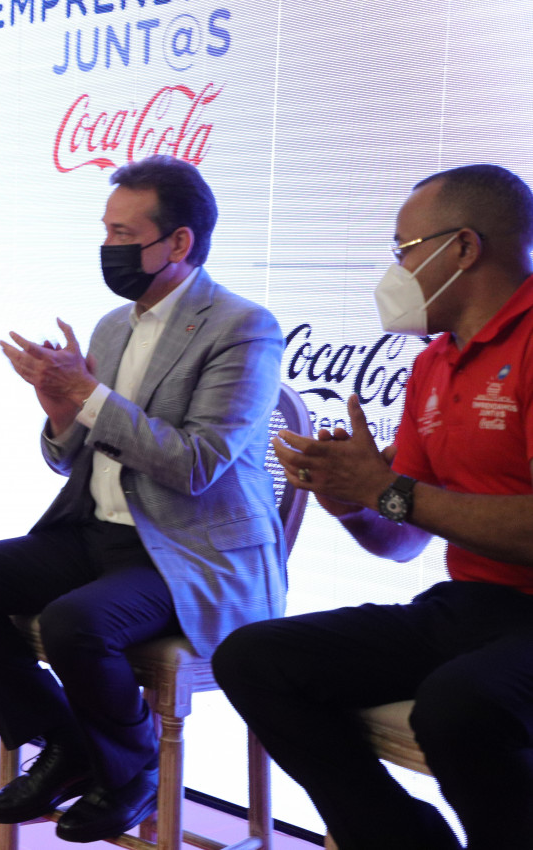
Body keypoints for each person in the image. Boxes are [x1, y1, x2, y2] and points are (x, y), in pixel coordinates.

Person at [0, 155, 286, 843]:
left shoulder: (243, 327)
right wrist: (61, 411)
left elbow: (197, 465)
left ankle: (131, 766)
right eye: (106, 231)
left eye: (124, 234)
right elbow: (70, 457)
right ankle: (66, 742)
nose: (108, 246)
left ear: (179, 242)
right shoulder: (113, 326)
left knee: (74, 623)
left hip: (187, 551)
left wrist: (88, 396)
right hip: (95, 532)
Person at [212, 164, 533, 850]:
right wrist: (353, 501)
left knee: (458, 706)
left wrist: (387, 491)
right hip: (472, 606)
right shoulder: (433, 363)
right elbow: (403, 537)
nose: (397, 270)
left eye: (404, 249)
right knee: (252, 659)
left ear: (464, 248)